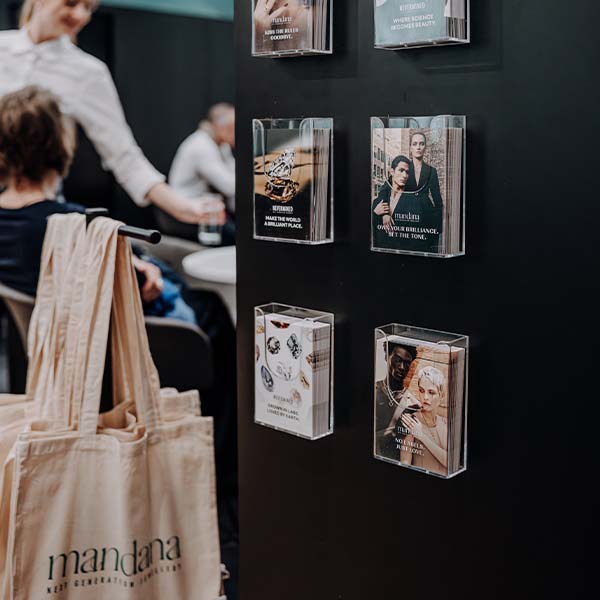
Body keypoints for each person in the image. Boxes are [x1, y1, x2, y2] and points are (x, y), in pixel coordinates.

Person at [0, 0, 225, 226]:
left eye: (89, 8)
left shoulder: (88, 72)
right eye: (71, 3)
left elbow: (124, 156)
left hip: (39, 215)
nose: (80, 15)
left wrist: (183, 207)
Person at [156, 103, 236, 244]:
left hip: (207, 208)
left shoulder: (221, 145)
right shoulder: (201, 145)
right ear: (220, 127)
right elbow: (230, 186)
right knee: (236, 237)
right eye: (232, 128)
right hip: (186, 211)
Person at [389, 365, 449, 476]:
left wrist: (421, 436)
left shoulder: (445, 423)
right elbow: (405, 463)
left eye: (431, 392)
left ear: (441, 396)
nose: (425, 397)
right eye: (421, 390)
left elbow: (449, 461)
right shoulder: (411, 421)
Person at [375, 340, 417, 460]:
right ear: (387, 357)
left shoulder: (411, 403)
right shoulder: (374, 390)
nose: (402, 367)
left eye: (407, 363)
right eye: (397, 360)